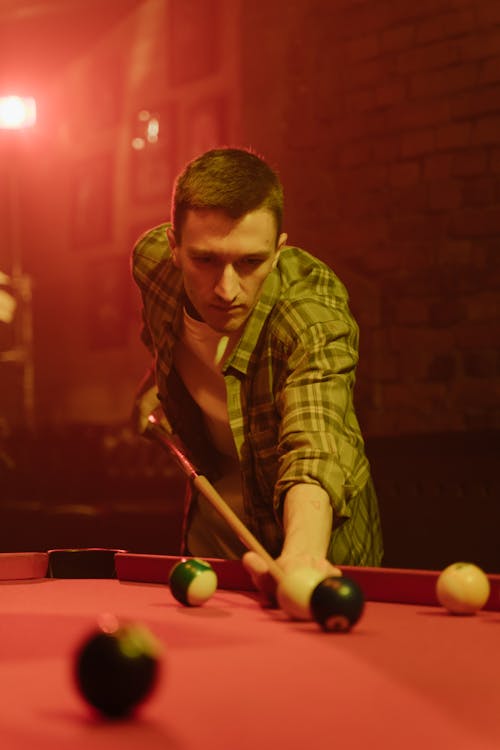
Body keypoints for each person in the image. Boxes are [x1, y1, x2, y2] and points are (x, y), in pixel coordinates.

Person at [131, 147, 383, 597]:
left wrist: (304, 553)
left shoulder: (310, 317)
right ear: (174, 247)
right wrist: (157, 380)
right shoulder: (152, 265)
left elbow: (317, 441)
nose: (227, 290)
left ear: (279, 251)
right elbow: (164, 331)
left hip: (314, 545)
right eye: (205, 260)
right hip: (213, 525)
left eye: (250, 262)